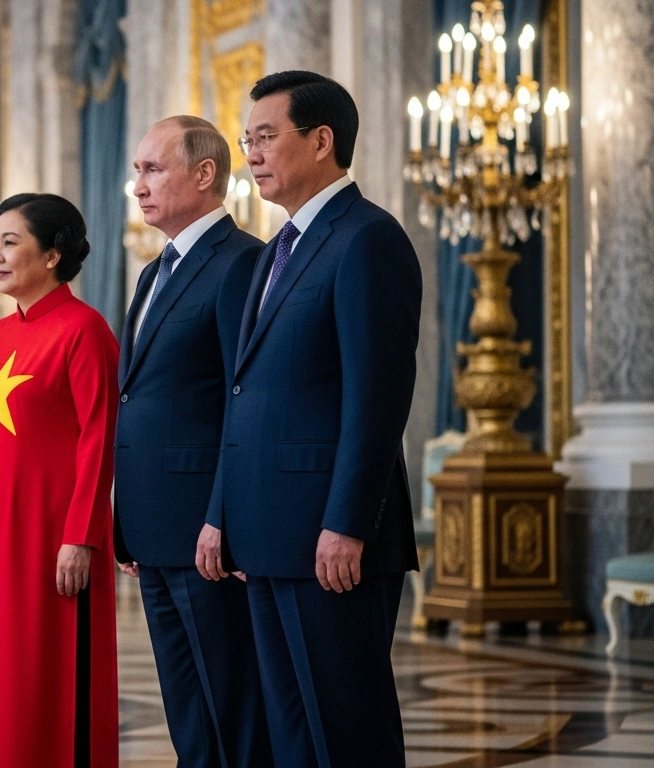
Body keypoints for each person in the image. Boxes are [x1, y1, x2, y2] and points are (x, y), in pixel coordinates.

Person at [196, 70, 421, 768]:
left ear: (321, 141)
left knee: (345, 732)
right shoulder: (273, 256)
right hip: (267, 534)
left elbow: (377, 396)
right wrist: (227, 515)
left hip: (331, 538)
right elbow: (246, 398)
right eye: (247, 140)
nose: (252, 154)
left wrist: (349, 522)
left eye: (266, 137)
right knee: (290, 730)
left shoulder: (367, 239)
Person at [114, 116, 271, 768]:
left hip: (207, 534)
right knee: (187, 712)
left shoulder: (242, 263)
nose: (139, 186)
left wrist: (223, 517)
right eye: (136, 173)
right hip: (153, 530)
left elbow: (247, 403)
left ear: (204, 174)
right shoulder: (154, 274)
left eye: (152, 170)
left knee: (232, 709)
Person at [0, 193, 119, 768]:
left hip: (50, 541)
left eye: (10, 242)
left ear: (52, 255)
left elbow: (100, 442)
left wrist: (81, 537)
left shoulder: (84, 330)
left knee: (42, 672)